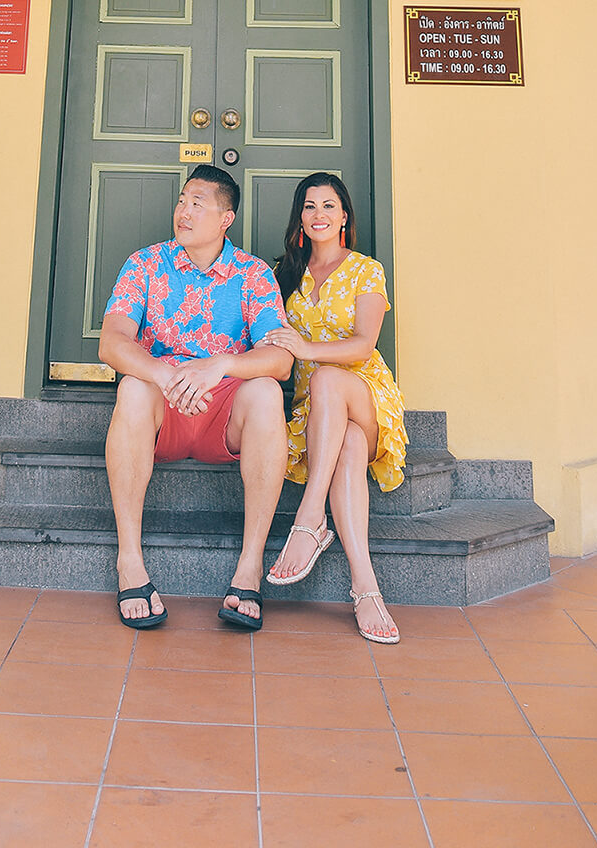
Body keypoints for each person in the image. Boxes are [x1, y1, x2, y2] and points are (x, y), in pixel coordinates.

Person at [98, 164, 293, 633]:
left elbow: (281, 361)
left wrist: (220, 365)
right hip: (163, 405)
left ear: (226, 218)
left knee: (267, 392)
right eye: (182, 200)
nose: (183, 211)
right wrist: (166, 375)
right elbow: (112, 343)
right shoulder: (145, 263)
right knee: (131, 385)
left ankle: (249, 569)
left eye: (197, 203)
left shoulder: (253, 274)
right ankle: (129, 561)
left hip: (222, 415)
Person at [262, 172, 407, 644]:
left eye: (328, 206)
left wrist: (305, 349)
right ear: (299, 218)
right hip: (320, 416)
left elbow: (364, 344)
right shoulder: (284, 274)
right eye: (309, 207)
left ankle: (309, 518)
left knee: (328, 379)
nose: (318, 215)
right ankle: (366, 588)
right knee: (344, 441)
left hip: (365, 396)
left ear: (344, 216)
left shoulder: (367, 269)